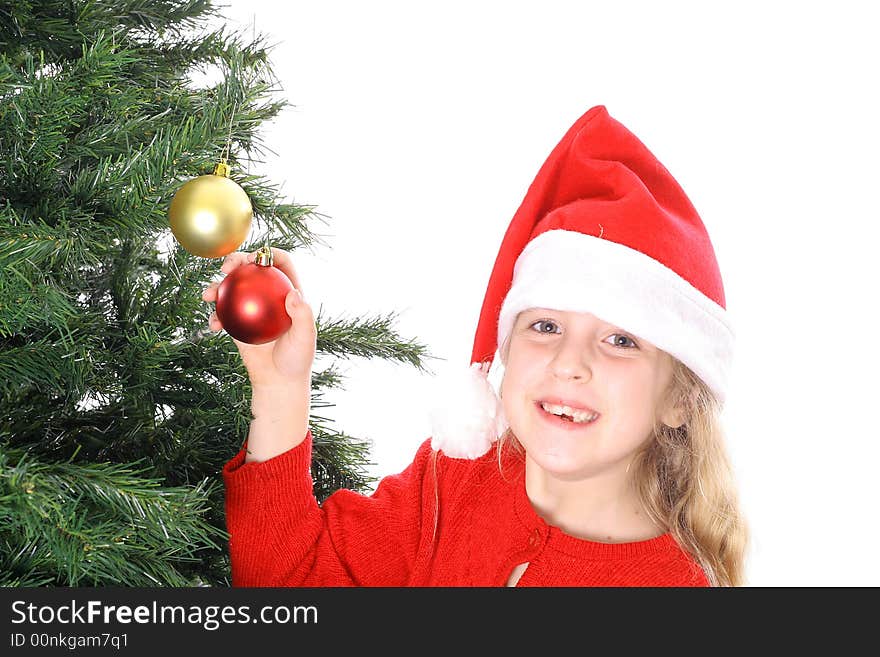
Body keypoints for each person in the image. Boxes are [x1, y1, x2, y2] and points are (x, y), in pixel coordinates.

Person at [205, 105, 748, 587]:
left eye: (621, 340)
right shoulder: (452, 481)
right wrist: (280, 388)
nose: (569, 363)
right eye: (546, 326)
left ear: (679, 398)